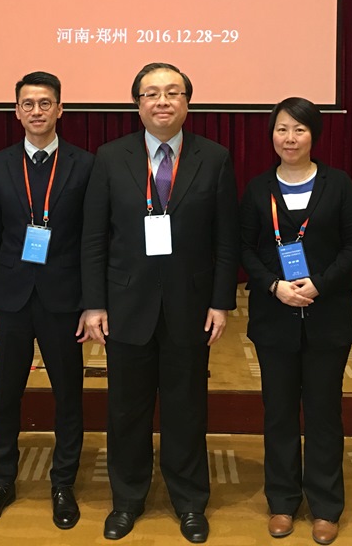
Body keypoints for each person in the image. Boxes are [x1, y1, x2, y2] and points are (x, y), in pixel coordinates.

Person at [79, 62, 239, 544]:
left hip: (190, 306)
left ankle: (189, 501)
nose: (162, 101)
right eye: (152, 93)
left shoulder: (214, 157)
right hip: (126, 306)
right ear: (137, 104)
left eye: (173, 92)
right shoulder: (110, 157)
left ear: (188, 102)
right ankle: (127, 500)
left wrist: (221, 302)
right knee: (126, 410)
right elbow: (94, 237)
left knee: (186, 408)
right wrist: (94, 303)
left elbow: (226, 239)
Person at [239, 97, 352, 545]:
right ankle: (282, 501)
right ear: (271, 135)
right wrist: (274, 285)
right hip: (274, 317)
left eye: (299, 129)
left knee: (323, 412)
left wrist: (320, 285)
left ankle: (326, 506)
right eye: (282, 129)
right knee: (278, 412)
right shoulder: (257, 188)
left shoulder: (339, 184)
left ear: (314, 135)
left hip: (327, 316)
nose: (289, 138)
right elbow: (245, 248)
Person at [0, 71, 94, 531]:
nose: (37, 111)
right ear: (16, 112)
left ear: (60, 109)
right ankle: (2, 481)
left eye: (45, 103)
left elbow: (92, 241)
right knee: (6, 395)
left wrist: (92, 302)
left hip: (64, 299)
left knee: (68, 396)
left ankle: (63, 483)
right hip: (10, 299)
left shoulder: (85, 165)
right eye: (28, 104)